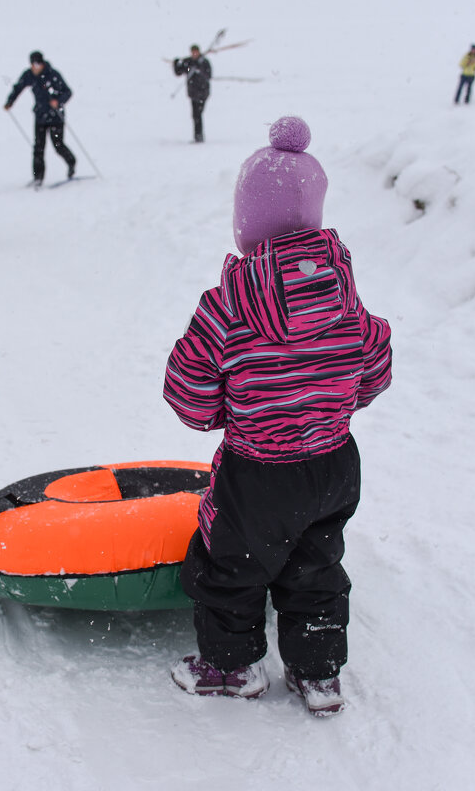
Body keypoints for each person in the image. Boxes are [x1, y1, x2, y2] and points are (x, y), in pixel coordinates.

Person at [163, 116, 393, 718]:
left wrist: (225, 413)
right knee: (315, 565)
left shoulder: (228, 306)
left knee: (231, 568)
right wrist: (335, 405)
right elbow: (375, 363)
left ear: (248, 221)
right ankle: (318, 676)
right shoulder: (344, 294)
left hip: (258, 470)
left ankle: (230, 667)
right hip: (333, 463)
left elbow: (187, 390)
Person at [4, 51, 75, 186]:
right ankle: (38, 178)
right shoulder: (29, 75)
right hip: (40, 116)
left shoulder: (53, 74)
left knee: (58, 145)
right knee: (38, 148)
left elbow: (68, 92)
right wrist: (10, 102)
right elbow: (18, 87)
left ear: (42, 63)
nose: (35, 67)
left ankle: (71, 162)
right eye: (33, 64)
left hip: (55, 117)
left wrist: (58, 101)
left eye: (38, 64)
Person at [173, 44, 212, 142]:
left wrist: (199, 70)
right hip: (193, 93)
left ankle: (198, 136)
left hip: (203, 93)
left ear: (199, 52)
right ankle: (198, 137)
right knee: (196, 115)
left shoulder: (204, 62)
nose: (194, 54)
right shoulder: (188, 62)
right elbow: (179, 72)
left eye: (196, 52)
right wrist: (176, 63)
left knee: (198, 114)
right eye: (192, 52)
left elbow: (208, 75)